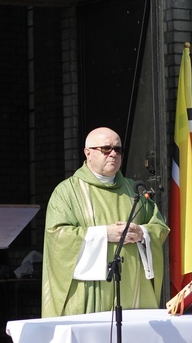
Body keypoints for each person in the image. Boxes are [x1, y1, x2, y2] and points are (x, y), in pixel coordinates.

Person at [41, 127, 170, 318]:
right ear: (88, 153)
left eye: (118, 150)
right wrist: (103, 235)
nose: (113, 154)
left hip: (132, 287)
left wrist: (142, 233)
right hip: (90, 291)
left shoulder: (134, 191)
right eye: (106, 149)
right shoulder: (67, 192)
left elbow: (159, 227)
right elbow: (57, 237)